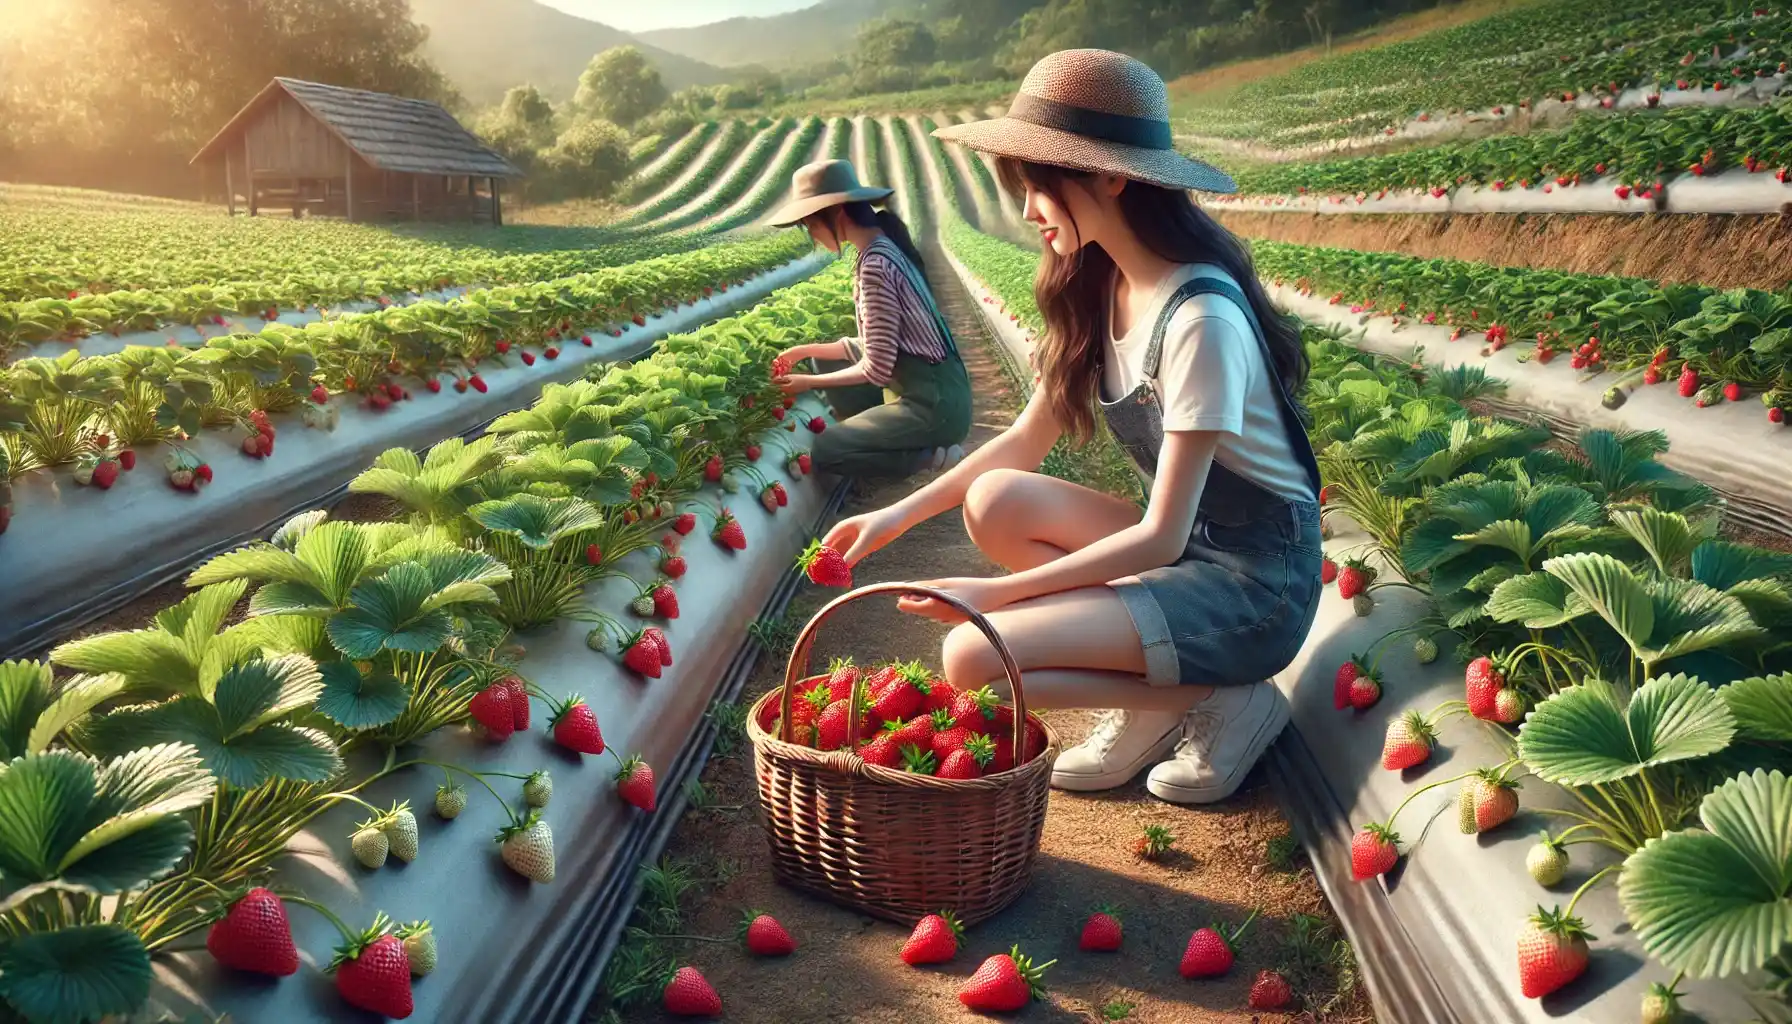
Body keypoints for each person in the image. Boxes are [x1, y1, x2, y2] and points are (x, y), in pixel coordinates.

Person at [821, 49, 1323, 805]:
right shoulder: (1105, 284)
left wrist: (997, 596)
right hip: (1196, 550)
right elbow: (1023, 442)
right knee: (995, 499)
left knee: (968, 655)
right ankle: (1156, 695)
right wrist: (892, 519)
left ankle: (1221, 699)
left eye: (1038, 185)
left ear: (1110, 176)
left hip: (1257, 587)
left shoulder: (1200, 321)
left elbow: (1157, 537)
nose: (1028, 210)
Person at [766, 159, 971, 479]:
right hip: (942, 393)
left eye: (811, 225)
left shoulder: (876, 264)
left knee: (829, 449)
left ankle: (929, 459)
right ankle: (890, 439)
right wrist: (804, 351)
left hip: (934, 406)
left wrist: (807, 383)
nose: (813, 236)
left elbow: (876, 368)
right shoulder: (882, 249)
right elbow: (875, 344)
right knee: (826, 361)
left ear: (837, 213)